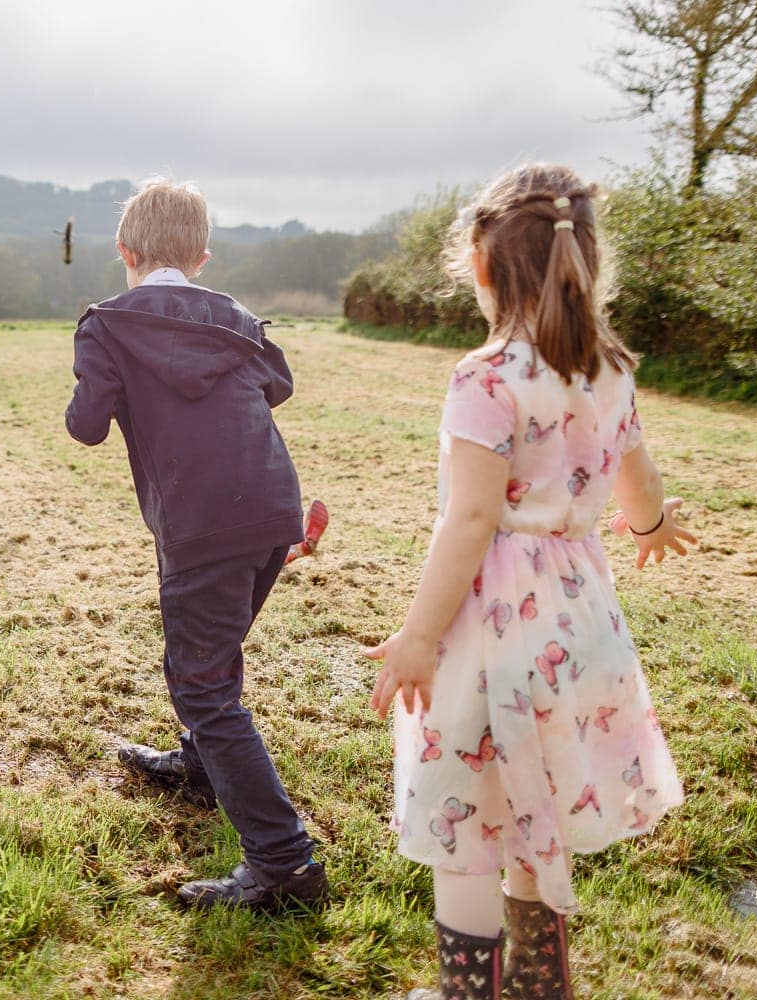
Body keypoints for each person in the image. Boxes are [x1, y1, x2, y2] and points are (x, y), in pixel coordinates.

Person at [366, 164, 695, 1000]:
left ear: (479, 266)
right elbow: (641, 482)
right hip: (581, 618)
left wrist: (416, 638)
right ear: (587, 260)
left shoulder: (484, 379)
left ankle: (468, 991)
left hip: (492, 623)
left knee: (466, 812)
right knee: (533, 792)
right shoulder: (610, 368)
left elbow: (471, 522)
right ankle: (540, 983)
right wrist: (653, 527)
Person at [65, 178, 327, 913]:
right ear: (203, 257)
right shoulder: (239, 321)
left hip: (200, 519)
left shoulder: (107, 325)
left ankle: (285, 865)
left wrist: (100, 378)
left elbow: (86, 426)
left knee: (206, 685)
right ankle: (203, 767)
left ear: (125, 251)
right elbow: (278, 384)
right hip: (273, 507)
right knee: (213, 658)